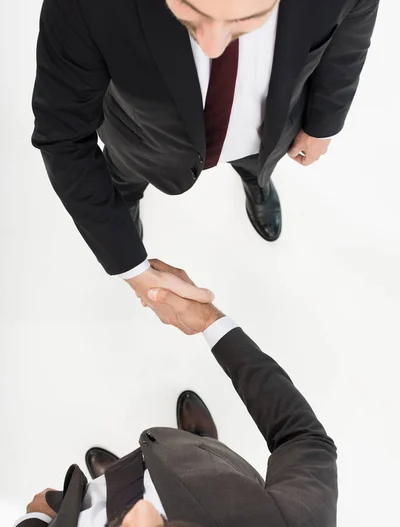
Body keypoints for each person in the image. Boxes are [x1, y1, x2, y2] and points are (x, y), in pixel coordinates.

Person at [0, 262, 338, 527]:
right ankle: (201, 444)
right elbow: (301, 437)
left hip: (85, 500)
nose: (142, 508)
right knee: (186, 460)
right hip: (207, 474)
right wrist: (209, 321)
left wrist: (34, 521)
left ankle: (142, 466)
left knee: (123, 483)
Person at [31, 0, 380, 325]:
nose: (212, 48)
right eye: (189, 7)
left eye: (245, 21)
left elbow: (351, 31)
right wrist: (130, 264)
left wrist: (324, 122)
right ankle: (126, 205)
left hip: (264, 133)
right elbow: (64, 135)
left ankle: (255, 183)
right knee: (122, 179)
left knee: (254, 165)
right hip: (142, 138)